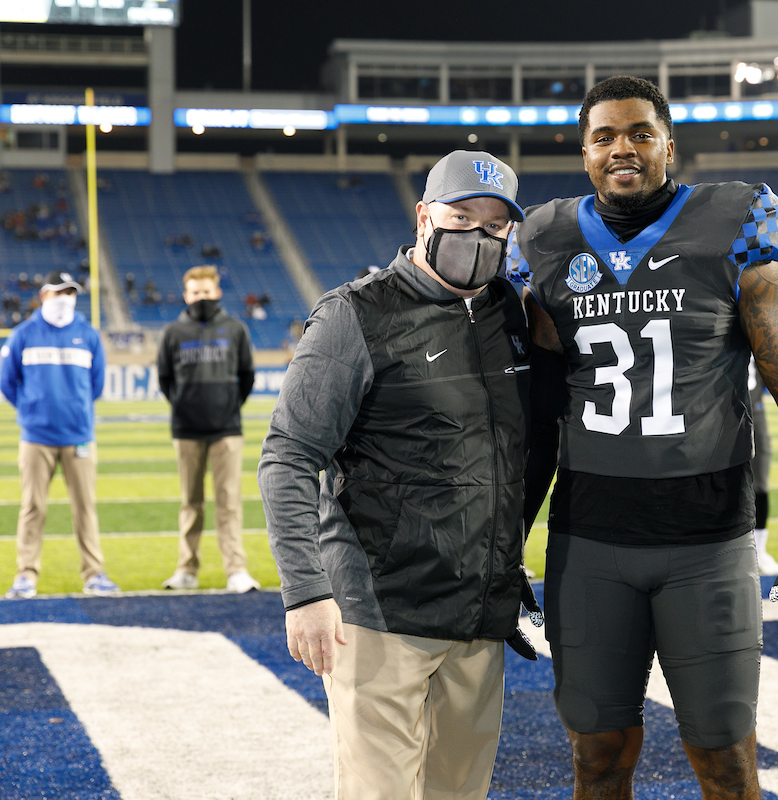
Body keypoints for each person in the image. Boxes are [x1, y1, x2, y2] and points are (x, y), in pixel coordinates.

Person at [510, 76, 778, 800]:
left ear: (668, 145)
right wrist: (508, 546)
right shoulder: (546, 240)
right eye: (604, 136)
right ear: (583, 150)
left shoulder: (733, 225)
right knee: (596, 760)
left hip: (708, 542)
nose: (621, 148)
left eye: (638, 133)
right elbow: (534, 420)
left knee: (725, 765)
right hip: (590, 541)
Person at [258, 151, 536, 799]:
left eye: (495, 225)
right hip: (383, 616)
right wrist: (305, 591)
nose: (478, 236)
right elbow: (290, 457)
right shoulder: (355, 315)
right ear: (423, 217)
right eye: (461, 216)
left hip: (480, 617)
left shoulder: (510, 315)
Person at [0, 270, 118, 598]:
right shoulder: (23, 334)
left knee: (85, 507)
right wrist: (31, 411)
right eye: (57, 292)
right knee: (33, 506)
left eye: (70, 291)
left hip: (78, 435)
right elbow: (7, 382)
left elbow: (96, 383)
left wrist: (75, 410)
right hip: (36, 437)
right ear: (43, 295)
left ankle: (94, 574)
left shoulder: (89, 335)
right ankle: (25, 574)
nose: (64, 298)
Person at [156, 265, 259, 593]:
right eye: (195, 292)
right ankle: (186, 569)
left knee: (229, 502)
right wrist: (185, 406)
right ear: (186, 295)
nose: (201, 297)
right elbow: (164, 379)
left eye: (206, 291)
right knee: (191, 502)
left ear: (216, 292)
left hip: (226, 430)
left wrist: (228, 406)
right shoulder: (173, 332)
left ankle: (236, 570)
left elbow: (247, 376)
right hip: (186, 431)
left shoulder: (235, 328)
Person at [749, 357, 778, 573]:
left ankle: (760, 550)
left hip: (755, 411)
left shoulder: (756, 326)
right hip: (717, 410)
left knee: (760, 484)